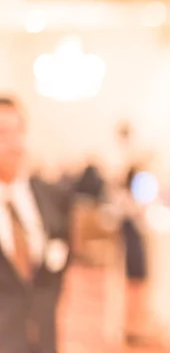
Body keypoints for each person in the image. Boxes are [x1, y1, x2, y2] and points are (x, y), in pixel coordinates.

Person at [0, 97, 71, 353]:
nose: (14, 143)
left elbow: (61, 249)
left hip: (42, 337)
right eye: (3, 133)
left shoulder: (48, 196)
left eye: (19, 131)